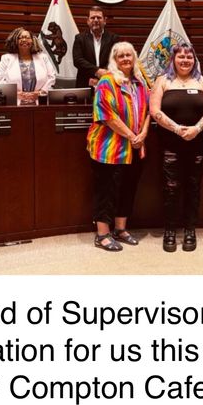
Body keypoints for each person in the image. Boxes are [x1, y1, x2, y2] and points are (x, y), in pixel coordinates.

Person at [150, 44, 203, 252]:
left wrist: (196, 129)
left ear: (194, 59)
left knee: (193, 187)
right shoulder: (162, 81)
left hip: (197, 143)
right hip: (170, 143)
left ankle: (190, 230)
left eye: (189, 56)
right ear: (173, 59)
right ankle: (170, 230)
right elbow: (154, 110)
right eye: (181, 56)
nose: (185, 60)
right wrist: (178, 129)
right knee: (171, 188)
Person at [86, 42, 150, 252]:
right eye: (120, 56)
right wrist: (133, 136)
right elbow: (107, 116)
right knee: (106, 190)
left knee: (127, 188)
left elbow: (149, 110)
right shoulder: (107, 82)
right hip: (109, 147)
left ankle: (121, 230)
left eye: (129, 55)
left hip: (135, 146)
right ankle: (102, 234)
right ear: (114, 60)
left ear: (134, 58)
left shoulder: (140, 82)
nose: (125, 59)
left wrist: (143, 134)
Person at [0, 27, 56, 105]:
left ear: (33, 41)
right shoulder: (6, 58)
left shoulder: (43, 57)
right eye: (20, 38)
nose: (24, 40)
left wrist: (41, 92)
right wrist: (15, 93)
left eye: (27, 38)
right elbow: (0, 80)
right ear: (15, 41)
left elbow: (51, 77)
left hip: (40, 100)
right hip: (15, 101)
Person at [73, 7, 119, 89]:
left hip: (108, 81)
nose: (96, 20)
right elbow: (78, 60)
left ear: (105, 20)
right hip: (85, 83)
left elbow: (115, 59)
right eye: (93, 17)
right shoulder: (80, 38)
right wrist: (96, 71)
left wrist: (103, 75)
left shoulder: (113, 38)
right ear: (88, 20)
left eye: (99, 17)